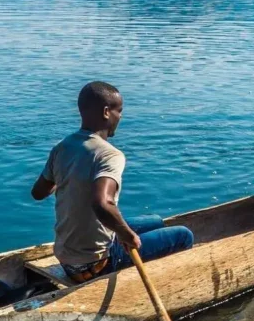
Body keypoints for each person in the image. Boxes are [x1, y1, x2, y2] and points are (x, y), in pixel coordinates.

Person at [31, 81, 193, 284]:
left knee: (155, 221)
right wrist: (127, 236)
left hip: (66, 256)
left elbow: (38, 192)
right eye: (120, 111)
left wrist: (68, 177)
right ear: (107, 112)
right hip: (95, 263)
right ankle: (169, 283)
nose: (121, 117)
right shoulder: (109, 155)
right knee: (184, 235)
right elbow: (102, 204)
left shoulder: (62, 147)